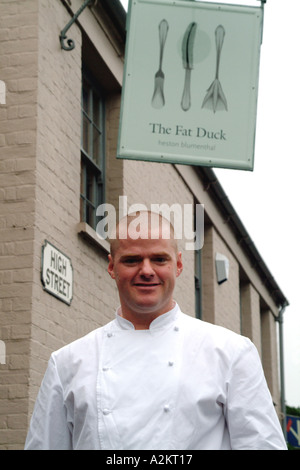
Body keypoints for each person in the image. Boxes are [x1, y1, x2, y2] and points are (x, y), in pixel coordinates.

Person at [25, 211, 287, 450]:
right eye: (132, 260)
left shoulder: (230, 353)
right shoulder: (67, 363)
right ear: (112, 267)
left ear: (178, 265)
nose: (147, 271)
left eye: (159, 259)